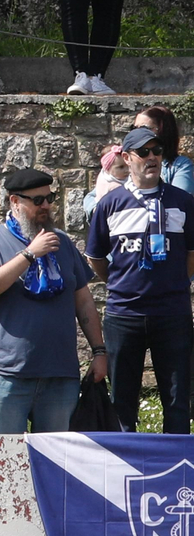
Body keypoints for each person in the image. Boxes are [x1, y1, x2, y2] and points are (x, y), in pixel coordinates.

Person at [0, 167, 108, 434]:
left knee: (55, 464)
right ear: (15, 202)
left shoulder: (63, 244)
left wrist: (99, 352)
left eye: (49, 198)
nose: (46, 206)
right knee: (5, 464)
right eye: (37, 200)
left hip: (60, 376)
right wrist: (29, 254)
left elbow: (84, 303)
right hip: (8, 376)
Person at [85, 127, 194, 434]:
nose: (152, 158)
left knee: (176, 400)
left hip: (171, 313)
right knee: (123, 400)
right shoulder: (110, 203)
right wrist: (120, 284)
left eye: (157, 152)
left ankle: (178, 471)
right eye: (143, 153)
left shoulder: (183, 201)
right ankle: (124, 471)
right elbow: (95, 257)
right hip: (125, 314)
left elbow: (191, 254)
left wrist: (171, 283)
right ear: (126, 158)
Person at [134, 106, 194, 193]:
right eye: (135, 128)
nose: (138, 133)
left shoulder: (180, 165)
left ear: (163, 130)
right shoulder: (128, 159)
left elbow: (181, 201)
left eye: (144, 128)